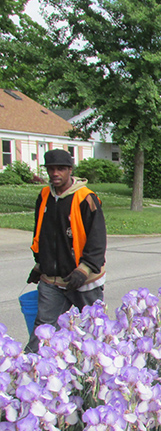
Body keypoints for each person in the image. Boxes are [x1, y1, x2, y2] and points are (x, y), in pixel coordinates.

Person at [26, 149, 107, 352]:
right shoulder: (44, 196)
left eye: (61, 169)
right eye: (51, 169)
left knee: (94, 330)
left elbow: (97, 239)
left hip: (83, 280)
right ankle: (33, 373)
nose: (55, 173)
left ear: (70, 170)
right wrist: (40, 264)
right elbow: (42, 233)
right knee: (43, 330)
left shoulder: (85, 198)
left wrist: (85, 268)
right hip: (51, 280)